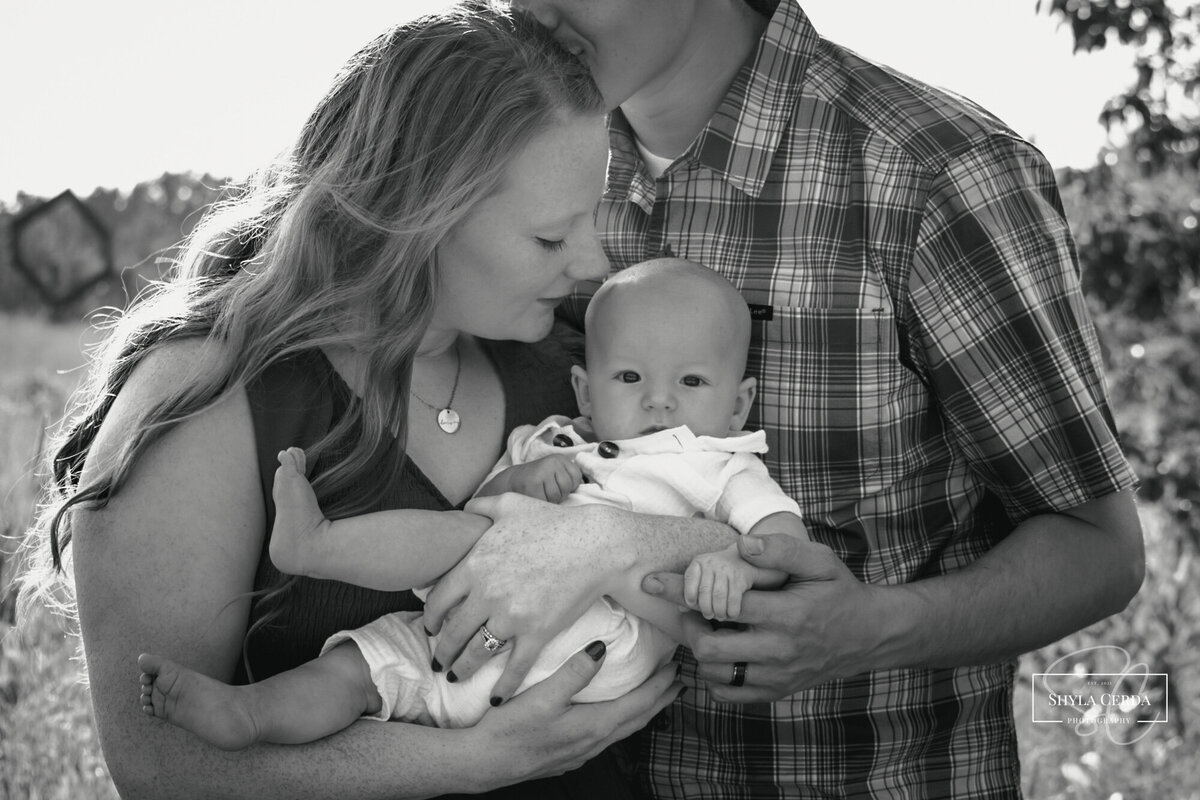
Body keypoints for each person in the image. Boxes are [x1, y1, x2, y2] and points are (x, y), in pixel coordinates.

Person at [415, 1, 1147, 797]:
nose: (535, 9)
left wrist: (870, 629)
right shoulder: (536, 160)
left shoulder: (935, 173)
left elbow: (1099, 550)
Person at [17, 5, 684, 798]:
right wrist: (475, 763)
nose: (593, 262)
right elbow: (159, 764)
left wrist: (615, 540)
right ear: (419, 218)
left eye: (593, 220)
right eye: (550, 237)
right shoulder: (208, 402)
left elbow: (714, 508)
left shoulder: (571, 365)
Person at [136, 257, 809, 744]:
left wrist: (734, 567)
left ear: (738, 403)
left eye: (692, 382)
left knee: (485, 543)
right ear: (584, 389)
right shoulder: (550, 439)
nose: (659, 400)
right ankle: (254, 703)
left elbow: (785, 546)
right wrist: (518, 483)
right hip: (450, 640)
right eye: (630, 377)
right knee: (360, 667)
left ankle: (317, 552)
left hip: (591, 650)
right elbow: (486, 508)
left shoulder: (722, 464)